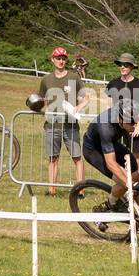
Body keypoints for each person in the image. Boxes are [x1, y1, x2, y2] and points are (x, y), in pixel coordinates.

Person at [85, 97, 139, 235]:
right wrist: (130, 185)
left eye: (136, 121)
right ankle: (105, 209)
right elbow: (111, 163)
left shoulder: (133, 113)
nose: (135, 125)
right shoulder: (105, 125)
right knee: (124, 180)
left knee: (138, 177)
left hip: (111, 145)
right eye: (131, 123)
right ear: (121, 119)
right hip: (94, 150)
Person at [39, 47, 93, 196]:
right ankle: (51, 190)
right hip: (52, 125)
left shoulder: (74, 77)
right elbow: (41, 100)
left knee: (77, 158)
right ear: (52, 59)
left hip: (71, 125)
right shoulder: (46, 79)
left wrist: (79, 106)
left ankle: (80, 190)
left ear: (66, 60)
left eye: (63, 58)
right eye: (58, 58)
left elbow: (87, 96)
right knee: (52, 158)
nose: (61, 61)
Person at [106, 53, 139, 157]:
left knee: (136, 158)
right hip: (117, 127)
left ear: (132, 66)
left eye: (126, 65)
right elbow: (108, 106)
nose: (122, 67)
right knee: (117, 158)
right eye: (121, 64)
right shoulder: (113, 83)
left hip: (134, 128)